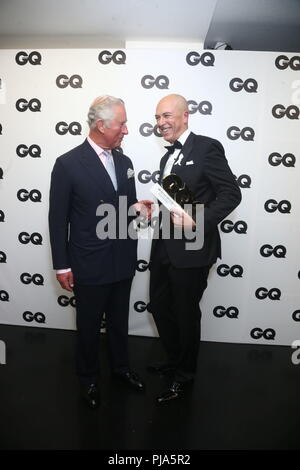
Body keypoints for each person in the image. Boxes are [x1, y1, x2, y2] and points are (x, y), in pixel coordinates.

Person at [49, 95, 152, 409]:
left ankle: (121, 370)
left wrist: (135, 208)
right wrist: (61, 266)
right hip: (88, 263)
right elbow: (57, 220)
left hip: (122, 259)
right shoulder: (67, 164)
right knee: (89, 327)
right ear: (100, 125)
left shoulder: (125, 162)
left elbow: (121, 207)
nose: (126, 130)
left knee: (120, 322)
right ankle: (88, 379)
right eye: (121, 123)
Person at [148, 94, 242, 404]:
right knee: (160, 308)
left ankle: (184, 376)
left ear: (185, 116)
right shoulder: (166, 157)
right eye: (158, 117)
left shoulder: (206, 147)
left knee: (185, 314)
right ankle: (175, 361)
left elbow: (231, 194)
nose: (161, 123)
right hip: (164, 246)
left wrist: (197, 222)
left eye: (167, 116)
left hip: (193, 249)